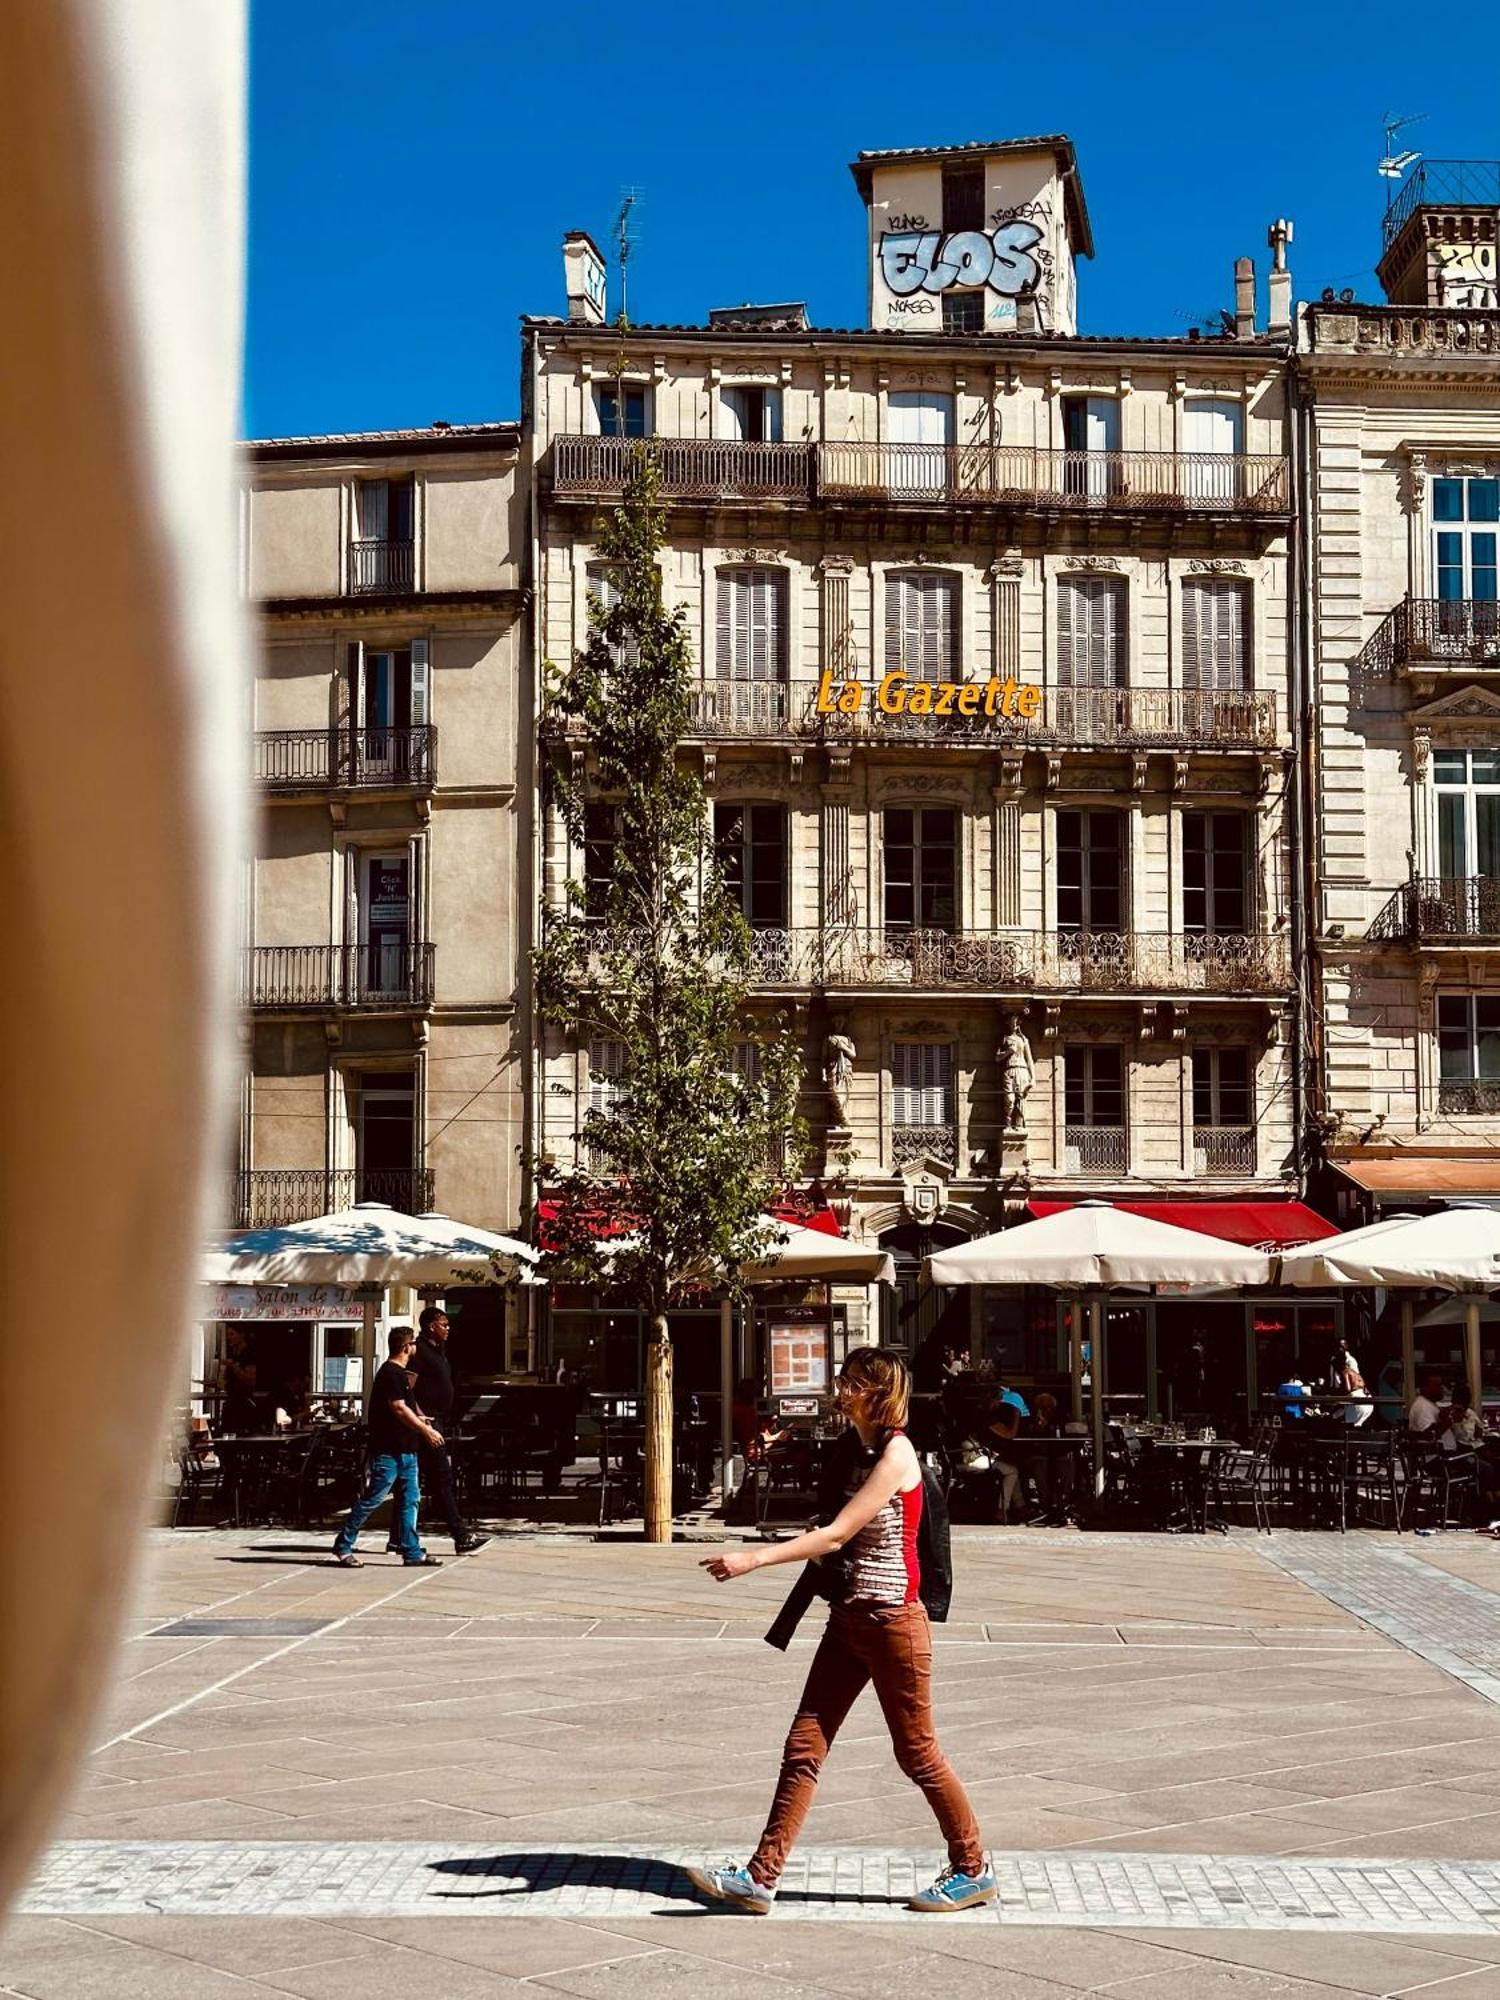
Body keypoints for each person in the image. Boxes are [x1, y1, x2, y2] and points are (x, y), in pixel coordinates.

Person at [691, 1348, 994, 1916]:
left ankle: (973, 1868)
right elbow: (835, 1529)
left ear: (877, 1393)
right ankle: (761, 1878)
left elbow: (835, 1535)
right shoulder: (855, 1450)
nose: (840, 1387)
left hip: (893, 1624)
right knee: (803, 1746)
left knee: (918, 1754)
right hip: (850, 1620)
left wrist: (753, 1560)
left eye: (852, 1381)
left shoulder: (898, 1453)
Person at [333, 1327, 443, 1568]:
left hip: (407, 1450)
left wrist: (421, 1420)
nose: (415, 1348)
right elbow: (398, 1407)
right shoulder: (391, 1373)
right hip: (390, 1450)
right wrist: (426, 1431)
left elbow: (409, 1407)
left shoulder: (400, 1374)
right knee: (373, 1499)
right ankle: (343, 1543)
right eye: (413, 1343)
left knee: (410, 1500)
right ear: (406, 1347)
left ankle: (412, 1551)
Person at [403, 1305, 488, 1556]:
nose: (448, 1329)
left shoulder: (438, 1350)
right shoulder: (419, 1352)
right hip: (426, 1424)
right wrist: (421, 1418)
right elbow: (407, 1389)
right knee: (441, 1478)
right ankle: (460, 1535)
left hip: (438, 1420)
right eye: (444, 1325)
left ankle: (398, 1537)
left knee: (412, 1480)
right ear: (432, 1326)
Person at [1409, 1372, 1446, 1436]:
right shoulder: (1423, 1407)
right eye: (1438, 1385)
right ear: (1425, 1388)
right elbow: (1430, 1434)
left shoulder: (1427, 1402)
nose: (1442, 1389)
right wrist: (1450, 1420)